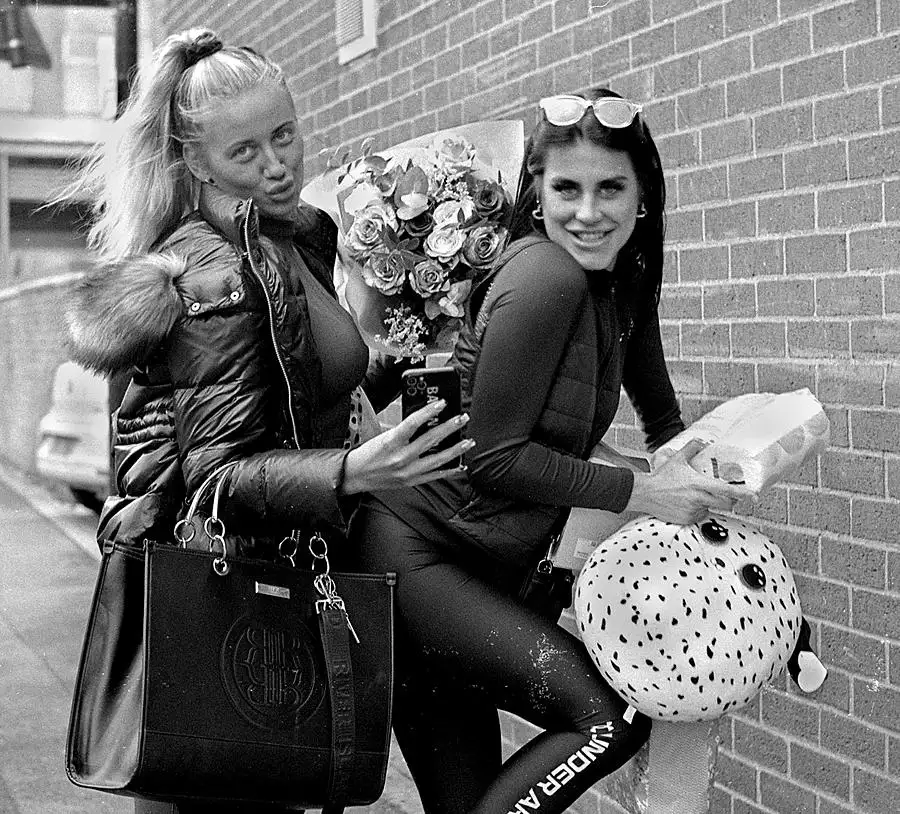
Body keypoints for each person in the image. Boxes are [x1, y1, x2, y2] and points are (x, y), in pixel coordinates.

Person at [63, 28, 471, 814]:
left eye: (284, 135)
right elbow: (214, 476)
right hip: (222, 606)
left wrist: (401, 353)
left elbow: (287, 398)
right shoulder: (216, 275)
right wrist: (353, 471)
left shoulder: (291, 237)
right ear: (196, 162)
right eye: (245, 151)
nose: (277, 164)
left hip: (268, 588)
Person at [351, 88, 753, 814]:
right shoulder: (546, 277)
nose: (588, 212)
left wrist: (709, 475)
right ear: (536, 192)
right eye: (567, 188)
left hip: (471, 564)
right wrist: (647, 493)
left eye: (610, 189)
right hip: (418, 558)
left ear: (643, 196)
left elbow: (662, 420)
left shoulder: (622, 280)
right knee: (608, 718)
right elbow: (493, 456)